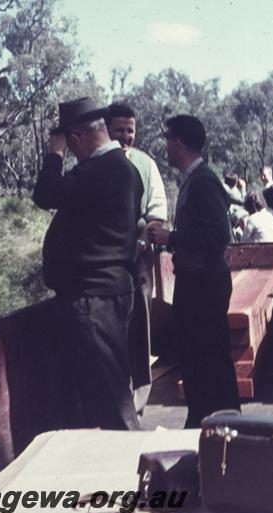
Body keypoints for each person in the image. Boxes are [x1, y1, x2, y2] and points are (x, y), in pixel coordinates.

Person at [32, 97, 143, 430]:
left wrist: (54, 153)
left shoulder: (100, 169)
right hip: (103, 296)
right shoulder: (123, 170)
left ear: (76, 138)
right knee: (103, 396)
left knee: (113, 403)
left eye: (69, 144)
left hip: (94, 300)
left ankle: (142, 476)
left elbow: (45, 194)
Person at [146, 115, 241, 428]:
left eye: (168, 139)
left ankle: (226, 427)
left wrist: (170, 237)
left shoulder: (203, 181)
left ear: (180, 143)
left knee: (210, 357)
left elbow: (218, 234)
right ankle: (203, 421)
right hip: (196, 282)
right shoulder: (192, 181)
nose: (166, 146)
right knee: (197, 357)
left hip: (204, 285)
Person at [105, 101, 168, 416]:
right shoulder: (97, 165)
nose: (126, 136)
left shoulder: (146, 164)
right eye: (119, 130)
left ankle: (140, 394)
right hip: (106, 262)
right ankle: (116, 396)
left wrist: (142, 242)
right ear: (107, 130)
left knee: (140, 321)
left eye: (130, 130)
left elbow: (157, 212)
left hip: (139, 258)